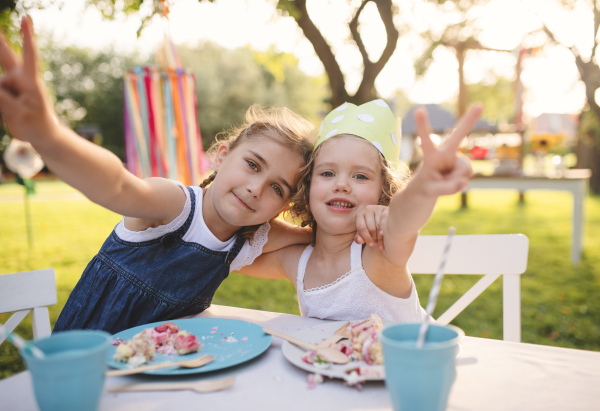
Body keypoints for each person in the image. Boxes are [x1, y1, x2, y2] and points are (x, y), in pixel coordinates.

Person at [0, 17, 324, 334]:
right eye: (253, 165)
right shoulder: (175, 205)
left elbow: (325, 232)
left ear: (283, 206)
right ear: (222, 156)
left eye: (277, 188)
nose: (256, 188)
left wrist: (369, 214)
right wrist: (48, 135)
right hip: (90, 356)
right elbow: (114, 184)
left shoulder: (253, 237)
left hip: (157, 374)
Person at [237, 99, 483, 322]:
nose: (341, 184)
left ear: (383, 192)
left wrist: (424, 185)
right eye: (327, 173)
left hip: (407, 368)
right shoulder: (297, 263)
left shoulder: (378, 252)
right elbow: (231, 253)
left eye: (360, 176)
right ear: (308, 185)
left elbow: (403, 221)